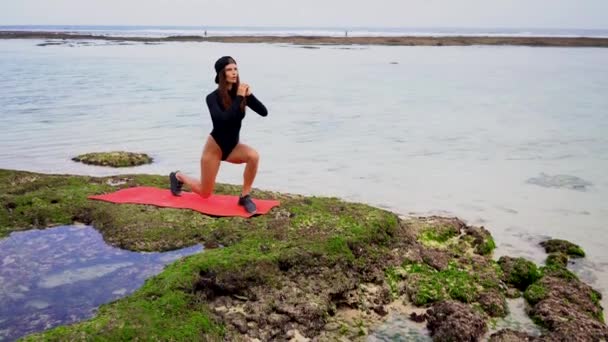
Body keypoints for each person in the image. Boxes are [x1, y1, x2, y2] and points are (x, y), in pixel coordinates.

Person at [169, 56, 268, 213]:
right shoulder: (212, 98)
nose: (234, 73)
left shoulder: (241, 94)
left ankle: (245, 196)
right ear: (222, 74)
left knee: (253, 156)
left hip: (233, 147)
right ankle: (178, 176)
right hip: (214, 148)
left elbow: (264, 112)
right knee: (205, 193)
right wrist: (240, 97)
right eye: (229, 70)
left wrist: (249, 96)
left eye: (235, 69)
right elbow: (223, 120)